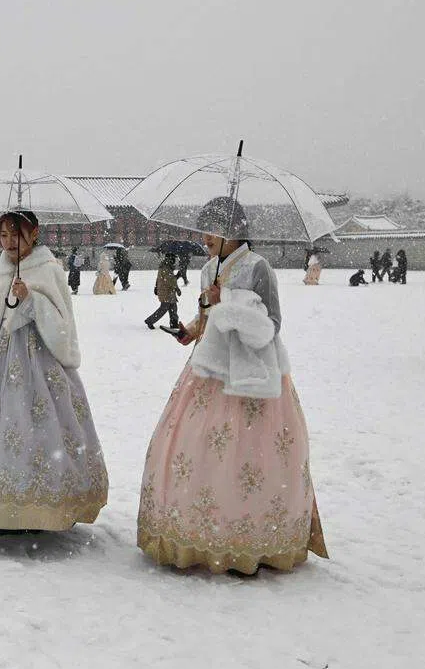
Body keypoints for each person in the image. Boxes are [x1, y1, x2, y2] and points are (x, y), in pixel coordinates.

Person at [137, 196, 328, 574]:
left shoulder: (260, 268)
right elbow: (206, 319)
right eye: (204, 228)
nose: (205, 236)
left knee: (252, 453)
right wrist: (193, 328)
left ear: (235, 230)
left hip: (251, 374)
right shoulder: (209, 268)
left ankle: (251, 537)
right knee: (194, 449)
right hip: (205, 370)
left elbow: (271, 324)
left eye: (213, 228)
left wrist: (227, 307)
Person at [0, 210, 108, 532]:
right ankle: (5, 505)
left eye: (16, 234)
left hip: (39, 361)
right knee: (2, 428)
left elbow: (62, 324)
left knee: (40, 428)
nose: (9, 242)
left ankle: (42, 507)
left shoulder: (48, 269)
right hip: (0, 363)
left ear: (34, 233)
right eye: (4, 235)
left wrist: (32, 301)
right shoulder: (0, 270)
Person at [144, 254, 181, 330]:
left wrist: (156, 286)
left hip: (169, 291)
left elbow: (161, 279)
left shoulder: (167, 267)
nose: (175, 261)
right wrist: (177, 277)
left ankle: (174, 323)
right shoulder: (165, 268)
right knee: (164, 308)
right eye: (173, 259)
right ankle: (150, 321)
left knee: (173, 307)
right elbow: (169, 280)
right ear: (170, 259)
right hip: (165, 291)